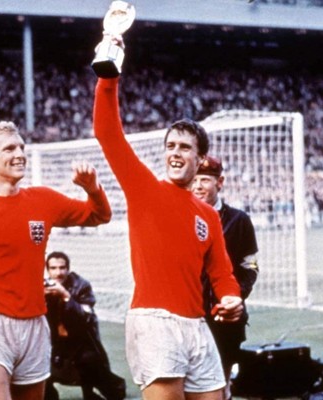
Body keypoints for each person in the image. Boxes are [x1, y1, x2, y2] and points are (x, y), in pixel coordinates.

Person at [92, 38, 243, 400]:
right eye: (170, 146)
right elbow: (107, 134)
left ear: (200, 159)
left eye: (184, 147)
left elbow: (222, 273)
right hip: (155, 322)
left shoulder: (208, 215)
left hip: (197, 325)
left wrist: (231, 298)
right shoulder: (144, 188)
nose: (175, 153)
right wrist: (109, 76)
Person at [0, 121, 112, 400]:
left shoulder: (43, 200)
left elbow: (99, 215)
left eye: (21, 147)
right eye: (9, 149)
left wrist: (92, 189)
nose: (19, 154)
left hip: (35, 326)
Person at [192, 155, 259, 400]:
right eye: (194, 180)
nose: (198, 186)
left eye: (205, 180)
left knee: (220, 386)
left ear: (219, 182)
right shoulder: (181, 216)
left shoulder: (239, 220)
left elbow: (250, 266)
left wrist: (235, 298)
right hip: (189, 315)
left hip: (225, 319)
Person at [43, 251, 126, 400]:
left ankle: (99, 390)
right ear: (48, 270)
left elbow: (84, 318)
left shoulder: (81, 286)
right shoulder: (43, 287)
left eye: (62, 268)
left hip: (81, 343)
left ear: (68, 269)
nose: (58, 273)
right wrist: (43, 298)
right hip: (55, 344)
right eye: (53, 268)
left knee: (114, 393)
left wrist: (66, 296)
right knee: (36, 367)